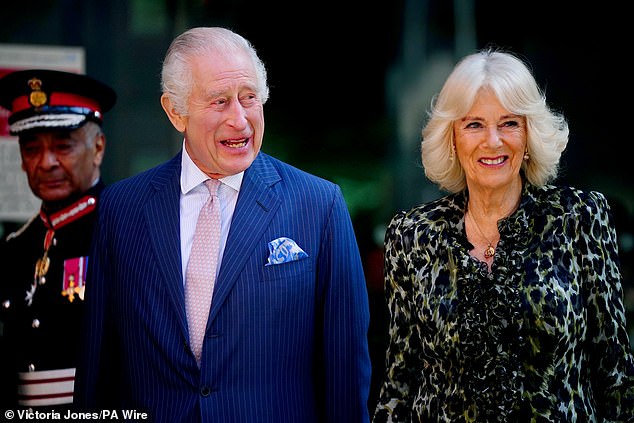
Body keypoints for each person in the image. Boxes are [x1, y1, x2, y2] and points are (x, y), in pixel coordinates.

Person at [73, 26, 372, 422]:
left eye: (249, 98)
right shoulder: (122, 208)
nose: (240, 119)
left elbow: (346, 377)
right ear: (175, 112)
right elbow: (98, 371)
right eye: (219, 101)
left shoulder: (319, 205)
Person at [372, 48, 634, 421]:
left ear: (529, 135)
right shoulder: (412, 235)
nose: (492, 141)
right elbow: (399, 385)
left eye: (509, 123)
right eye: (474, 124)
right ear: (452, 138)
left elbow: (617, 377)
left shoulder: (580, 218)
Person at [0, 69, 116, 409]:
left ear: (97, 148)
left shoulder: (123, 232)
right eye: (32, 149)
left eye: (63, 147)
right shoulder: (15, 247)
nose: (46, 163)